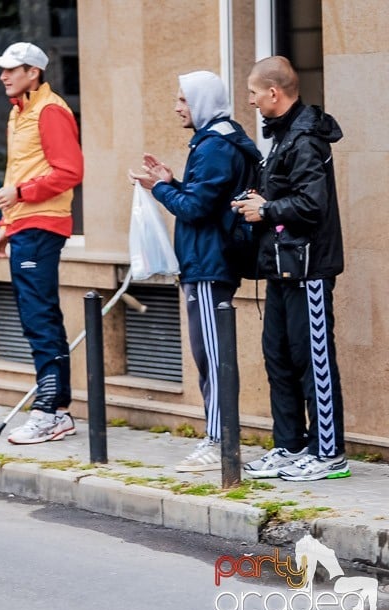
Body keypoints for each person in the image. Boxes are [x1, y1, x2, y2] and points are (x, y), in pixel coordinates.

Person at [128, 71, 261, 472]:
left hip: (209, 264)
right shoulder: (214, 141)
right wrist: (173, 181)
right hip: (208, 260)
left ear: (202, 102)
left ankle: (219, 442)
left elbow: (196, 209)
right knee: (209, 355)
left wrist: (160, 189)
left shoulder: (216, 145)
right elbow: (207, 198)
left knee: (212, 356)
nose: (176, 107)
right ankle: (218, 438)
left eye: (183, 100)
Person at [232, 56, 349, 482]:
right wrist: (258, 199)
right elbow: (285, 196)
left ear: (274, 93)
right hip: (282, 266)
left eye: (253, 92)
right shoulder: (283, 136)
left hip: (309, 268)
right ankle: (289, 445)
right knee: (278, 355)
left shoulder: (304, 139)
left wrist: (265, 209)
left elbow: (312, 206)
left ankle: (329, 452)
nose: (249, 101)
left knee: (312, 359)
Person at [0, 42, 84, 445]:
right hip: (26, 226)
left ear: (34, 72)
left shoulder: (50, 111)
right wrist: (6, 224)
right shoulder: (20, 112)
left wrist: (20, 195)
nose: (4, 76)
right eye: (3, 70)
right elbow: (25, 169)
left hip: (43, 227)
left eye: (12, 69)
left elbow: (70, 171)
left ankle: (51, 411)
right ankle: (54, 409)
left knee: (40, 319)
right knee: (36, 318)